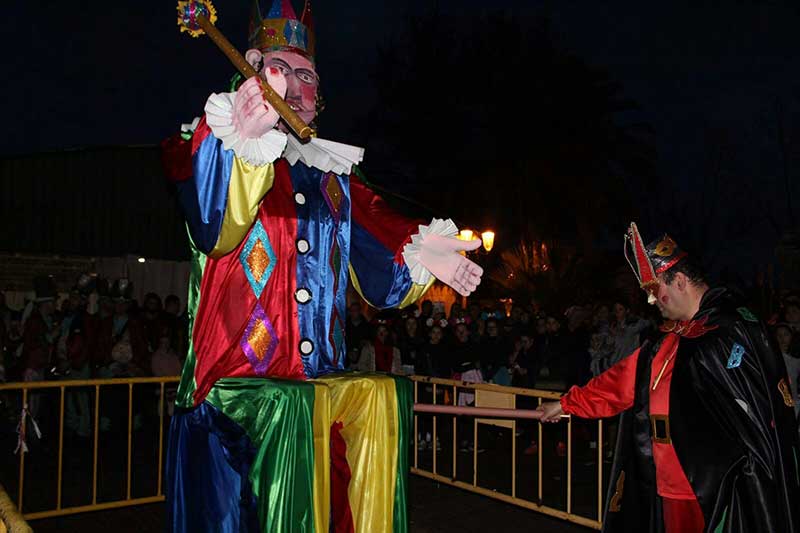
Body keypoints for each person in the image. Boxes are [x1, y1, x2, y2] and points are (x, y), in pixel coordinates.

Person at [162, 1, 483, 530]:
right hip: (233, 402)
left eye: (306, 76)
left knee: (378, 398)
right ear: (249, 68)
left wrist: (422, 254)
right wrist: (240, 144)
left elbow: (381, 264)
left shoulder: (333, 180)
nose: (294, 87)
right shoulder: (215, 142)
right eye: (279, 70)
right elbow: (214, 225)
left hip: (317, 397)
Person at [537, 223, 800, 533]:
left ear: (680, 281)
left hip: (713, 488)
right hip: (665, 481)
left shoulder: (732, 329)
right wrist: (566, 404)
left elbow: (756, 420)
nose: (651, 301)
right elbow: (621, 382)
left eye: (654, 289)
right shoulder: (669, 340)